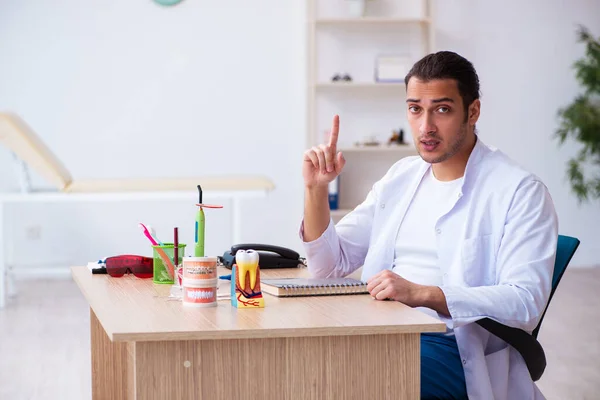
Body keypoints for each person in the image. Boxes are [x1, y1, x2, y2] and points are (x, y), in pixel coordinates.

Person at [299, 51, 558, 400]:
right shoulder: (401, 177)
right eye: (415, 109)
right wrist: (316, 190)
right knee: (296, 364)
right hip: (379, 330)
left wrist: (424, 293)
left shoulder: (520, 192)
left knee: (343, 378)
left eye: (442, 109)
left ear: (473, 111)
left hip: (450, 347)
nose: (426, 127)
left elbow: (525, 301)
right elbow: (328, 266)